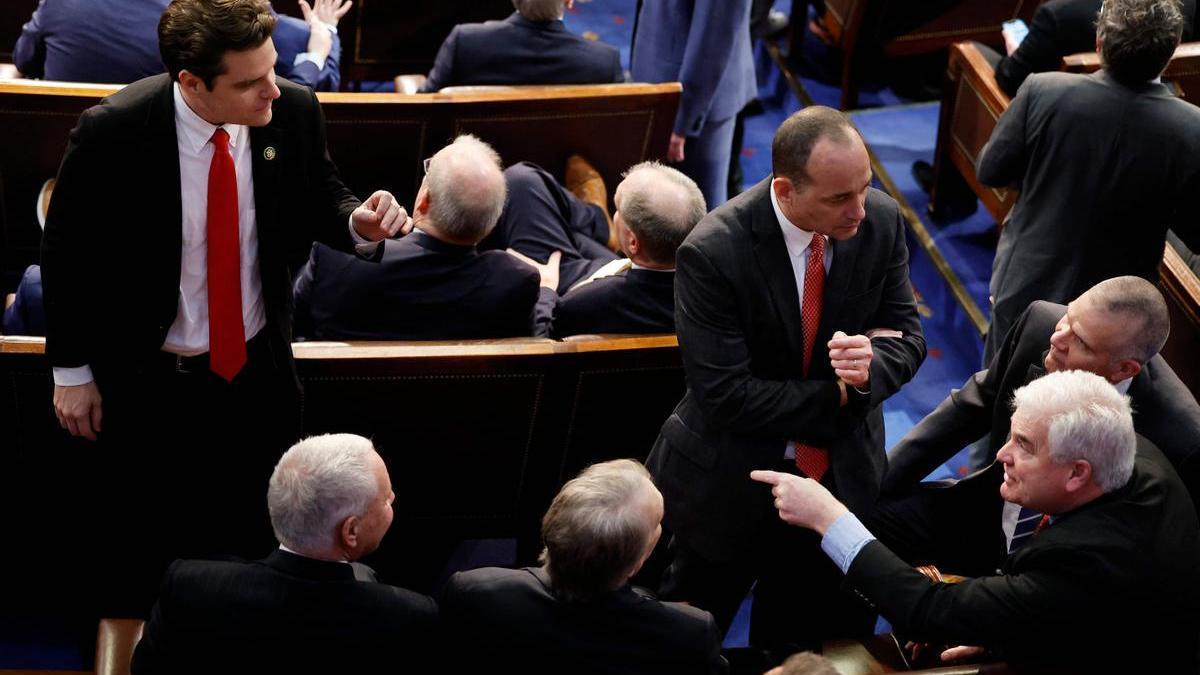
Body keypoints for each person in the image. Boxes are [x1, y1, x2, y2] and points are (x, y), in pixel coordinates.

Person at [40, 0, 405, 614]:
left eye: (273, 69)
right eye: (250, 82)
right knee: (147, 540)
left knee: (254, 532)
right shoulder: (114, 129)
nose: (273, 89)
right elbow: (65, 251)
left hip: (256, 370)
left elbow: (323, 193)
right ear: (191, 82)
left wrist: (357, 223)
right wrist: (71, 370)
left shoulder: (293, 109)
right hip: (148, 378)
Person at [646, 106, 926, 658]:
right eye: (839, 198)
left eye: (865, 187)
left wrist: (871, 366)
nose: (859, 210)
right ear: (785, 190)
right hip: (728, 487)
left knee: (805, 652)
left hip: (840, 481)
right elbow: (726, 396)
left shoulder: (880, 220)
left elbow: (908, 338)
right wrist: (841, 394)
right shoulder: (713, 250)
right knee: (684, 647)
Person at [753, 370, 1200, 672]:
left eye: (1024, 445)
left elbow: (931, 610)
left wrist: (831, 519)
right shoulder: (1127, 451)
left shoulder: (1086, 562)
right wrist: (1006, 631)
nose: (1002, 454)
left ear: (1077, 473)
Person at [976, 0, 1200, 362]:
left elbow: (991, 171)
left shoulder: (1042, 90)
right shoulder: (1192, 129)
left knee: (1000, 384)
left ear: (1099, 40)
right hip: (1115, 314)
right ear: (1173, 48)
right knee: (1085, 397)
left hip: (1028, 282)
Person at [882, 276, 1200, 517]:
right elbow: (969, 409)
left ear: (1124, 369)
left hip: (1066, 563)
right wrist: (880, 481)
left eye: (1081, 343)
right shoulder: (1041, 323)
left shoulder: (1180, 439)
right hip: (989, 510)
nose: (1058, 339)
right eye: (1069, 317)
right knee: (865, 517)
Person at [131, 433, 440, 674]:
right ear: (351, 531)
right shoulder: (407, 618)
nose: (393, 498)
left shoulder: (188, 587)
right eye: (385, 499)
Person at [441, 459, 724, 674]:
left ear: (553, 521)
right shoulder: (690, 636)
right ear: (636, 563)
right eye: (657, 524)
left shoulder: (472, 593)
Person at [292, 135, 554, 340]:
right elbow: (533, 349)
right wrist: (547, 291)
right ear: (491, 223)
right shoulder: (513, 281)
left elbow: (289, 326)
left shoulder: (337, 255)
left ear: (424, 201)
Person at [500, 160, 706, 337]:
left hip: (580, 287)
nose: (617, 213)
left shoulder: (585, 302)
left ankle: (596, 219)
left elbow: (542, 339)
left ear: (633, 243)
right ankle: (596, 221)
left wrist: (545, 289)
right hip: (621, 274)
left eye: (617, 209)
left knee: (522, 181)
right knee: (574, 234)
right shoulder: (711, 290)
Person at [13, 0, 349, 91]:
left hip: (53, 174)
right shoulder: (208, 16)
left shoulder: (56, 4)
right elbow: (316, 87)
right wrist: (327, 34)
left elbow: (24, 60)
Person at [630, 0, 757, 208]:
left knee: (698, 213)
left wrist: (683, 119)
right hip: (662, 87)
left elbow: (713, 36)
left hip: (692, 105)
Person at [985, 0, 1195, 97]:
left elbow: (1011, 81)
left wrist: (1017, 53)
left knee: (974, 49)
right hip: (1162, 125)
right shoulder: (1188, 8)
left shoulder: (1060, 15)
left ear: (1098, 42)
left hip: (1064, 136)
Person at [417, 0, 623, 93]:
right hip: (565, 170)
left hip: (477, 167)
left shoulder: (465, 42)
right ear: (569, 1)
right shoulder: (605, 62)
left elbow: (424, 108)